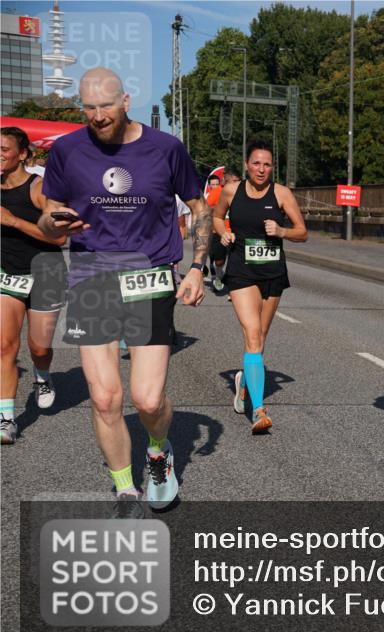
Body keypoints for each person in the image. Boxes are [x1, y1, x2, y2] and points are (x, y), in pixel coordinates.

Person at [37, 67, 211, 510]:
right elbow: (48, 215)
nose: (97, 116)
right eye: (88, 107)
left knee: (147, 399)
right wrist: (52, 222)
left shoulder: (166, 149)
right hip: (92, 274)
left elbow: (199, 207)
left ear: (126, 100)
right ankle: (125, 487)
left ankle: (158, 449)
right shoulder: (67, 151)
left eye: (106, 106)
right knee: (104, 396)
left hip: (149, 275)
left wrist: (196, 269)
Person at [213, 141, 307, 433]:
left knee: (260, 338)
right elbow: (216, 216)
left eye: (266, 164)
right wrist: (224, 233)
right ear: (246, 164)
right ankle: (259, 410)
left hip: (272, 272)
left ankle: (244, 383)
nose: (261, 169)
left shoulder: (281, 193)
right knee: (252, 334)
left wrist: (281, 231)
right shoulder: (232, 191)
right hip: (241, 271)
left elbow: (302, 232)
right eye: (256, 163)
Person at [0, 127, 68, 443]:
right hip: (7, 274)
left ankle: (42, 376)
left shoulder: (40, 189)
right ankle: (7, 417)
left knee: (39, 347)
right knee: (4, 346)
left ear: (23, 153)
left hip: (46, 273)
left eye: (4, 149)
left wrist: (12, 221)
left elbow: (61, 236)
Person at [208, 171, 239, 293]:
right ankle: (219, 275)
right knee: (220, 260)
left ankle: (234, 288)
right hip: (219, 232)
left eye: (238, 181)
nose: (237, 184)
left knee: (236, 260)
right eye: (234, 181)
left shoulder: (242, 192)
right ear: (225, 182)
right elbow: (207, 208)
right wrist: (220, 208)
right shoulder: (217, 192)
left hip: (236, 232)